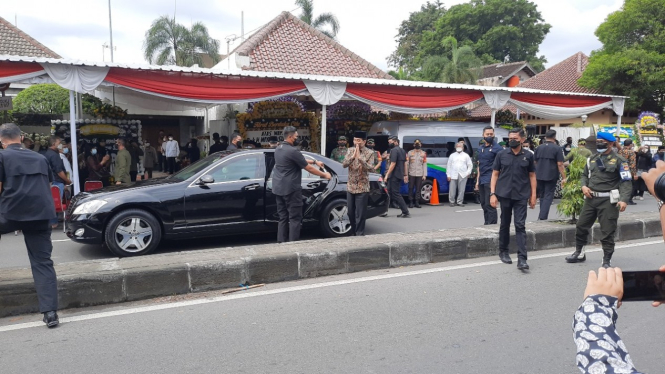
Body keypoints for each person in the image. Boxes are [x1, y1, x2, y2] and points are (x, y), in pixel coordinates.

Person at [0, 123, 59, 328]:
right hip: (40, 214)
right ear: (21, 137)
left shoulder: (2, 156)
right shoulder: (40, 158)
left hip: (10, 213)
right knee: (42, 262)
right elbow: (48, 185)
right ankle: (50, 313)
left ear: (2, 140)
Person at [565, 132, 631, 268]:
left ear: (611, 144)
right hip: (591, 199)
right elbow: (584, 175)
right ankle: (579, 252)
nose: (599, 144)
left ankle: (606, 259)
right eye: (598, 141)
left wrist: (624, 199)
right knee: (581, 226)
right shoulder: (592, 159)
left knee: (607, 231)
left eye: (603, 142)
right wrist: (584, 186)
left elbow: (626, 181)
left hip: (608, 201)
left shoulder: (620, 160)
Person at [273, 126, 331, 243]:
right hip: (291, 190)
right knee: (295, 218)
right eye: (296, 136)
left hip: (278, 188)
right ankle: (293, 245)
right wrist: (325, 175)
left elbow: (299, 159)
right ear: (290, 136)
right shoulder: (293, 151)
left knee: (283, 218)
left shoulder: (278, 149)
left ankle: (281, 244)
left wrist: (315, 161)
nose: (297, 138)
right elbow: (308, 168)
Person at [490, 128, 537, 270]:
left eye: (515, 138)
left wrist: (533, 195)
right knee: (504, 223)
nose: (512, 140)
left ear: (522, 139)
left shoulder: (528, 156)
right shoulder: (501, 154)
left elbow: (532, 176)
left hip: (521, 195)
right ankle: (503, 252)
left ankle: (522, 259)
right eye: (510, 138)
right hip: (504, 194)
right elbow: (495, 174)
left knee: (520, 225)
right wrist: (492, 193)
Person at [342, 131, 374, 236]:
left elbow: (371, 168)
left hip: (362, 187)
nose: (356, 142)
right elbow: (344, 164)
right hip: (351, 186)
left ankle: (359, 234)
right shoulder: (350, 150)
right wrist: (353, 156)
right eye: (355, 140)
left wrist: (361, 159)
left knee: (360, 214)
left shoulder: (370, 153)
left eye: (358, 140)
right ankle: (353, 231)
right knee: (350, 212)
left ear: (364, 141)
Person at [534, 130, 566, 221]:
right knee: (548, 195)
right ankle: (542, 217)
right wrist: (564, 177)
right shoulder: (557, 148)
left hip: (539, 174)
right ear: (554, 137)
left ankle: (541, 214)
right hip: (551, 174)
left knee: (542, 195)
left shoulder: (539, 147)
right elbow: (560, 164)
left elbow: (535, 161)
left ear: (545, 137)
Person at [476, 126, 503, 225]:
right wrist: (477, 181)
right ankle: (486, 223)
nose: (489, 136)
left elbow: (501, 167)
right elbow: (480, 165)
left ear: (494, 134)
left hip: (491, 179)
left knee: (490, 204)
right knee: (483, 203)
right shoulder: (481, 148)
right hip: (483, 179)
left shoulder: (498, 149)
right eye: (487, 134)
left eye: (491, 134)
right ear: (483, 135)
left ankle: (492, 225)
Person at [44, 136, 71, 228]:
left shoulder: (47, 154)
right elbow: (59, 171)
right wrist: (67, 180)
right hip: (57, 181)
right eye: (59, 143)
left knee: (51, 202)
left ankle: (51, 222)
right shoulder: (54, 155)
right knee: (55, 203)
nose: (61, 145)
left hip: (50, 181)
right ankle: (53, 222)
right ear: (54, 144)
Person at [385, 136, 410, 218]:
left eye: (390, 142)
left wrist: (387, 175)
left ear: (395, 142)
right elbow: (405, 164)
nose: (389, 143)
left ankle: (405, 211)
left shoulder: (394, 150)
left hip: (394, 175)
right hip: (399, 174)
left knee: (395, 194)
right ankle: (384, 211)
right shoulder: (402, 150)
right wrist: (405, 175)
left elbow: (393, 163)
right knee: (388, 192)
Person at [447, 141, 472, 207]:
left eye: (460, 146)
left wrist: (468, 173)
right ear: (455, 147)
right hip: (453, 174)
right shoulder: (452, 155)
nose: (458, 148)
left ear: (463, 148)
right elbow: (448, 166)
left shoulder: (466, 155)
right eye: (457, 146)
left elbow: (470, 165)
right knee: (452, 189)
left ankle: (459, 201)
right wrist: (448, 175)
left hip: (463, 174)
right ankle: (452, 201)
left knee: (462, 189)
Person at [406, 139, 427, 208]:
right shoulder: (410, 153)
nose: (417, 145)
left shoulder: (423, 153)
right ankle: (410, 202)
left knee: (418, 188)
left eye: (419, 144)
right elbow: (407, 164)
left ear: (421, 145)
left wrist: (424, 175)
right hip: (411, 173)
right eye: (416, 144)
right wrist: (406, 174)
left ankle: (417, 202)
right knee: (411, 188)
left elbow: (424, 164)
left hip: (419, 173)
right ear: (414, 145)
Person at [618, 138, 638, 205]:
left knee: (621, 185)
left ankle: (621, 198)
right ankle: (629, 199)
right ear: (630, 144)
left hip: (620, 170)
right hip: (628, 171)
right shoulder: (631, 152)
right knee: (631, 186)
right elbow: (633, 164)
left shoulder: (620, 151)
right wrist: (634, 174)